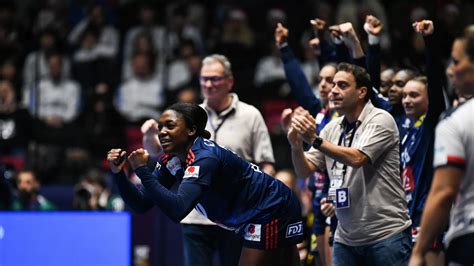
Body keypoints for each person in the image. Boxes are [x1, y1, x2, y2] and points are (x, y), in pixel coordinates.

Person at [108, 102, 303, 266]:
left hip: (271, 208)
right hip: (249, 214)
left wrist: (142, 170)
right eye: (160, 127)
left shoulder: (205, 158)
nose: (162, 133)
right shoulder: (172, 159)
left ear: (191, 130)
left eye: (170, 126)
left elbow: (179, 209)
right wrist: (119, 173)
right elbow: (141, 204)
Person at [141, 54, 276, 266]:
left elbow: (266, 163)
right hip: (195, 217)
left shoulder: (251, 115)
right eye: (204, 79)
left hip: (236, 216)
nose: (208, 84)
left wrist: (258, 206)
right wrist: (149, 138)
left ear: (229, 81)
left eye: (215, 78)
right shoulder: (187, 117)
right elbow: (162, 156)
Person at [288, 62, 411, 265]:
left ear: (362, 92)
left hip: (386, 234)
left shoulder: (381, 120)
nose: (333, 91)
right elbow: (304, 171)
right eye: (333, 85)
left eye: (342, 85)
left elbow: (357, 158)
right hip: (346, 239)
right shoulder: (331, 128)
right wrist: (295, 146)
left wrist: (315, 140)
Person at [409, 26, 474, 266]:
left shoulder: (456, 121)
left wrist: (418, 252)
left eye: (456, 62)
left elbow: (444, 192)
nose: (450, 70)